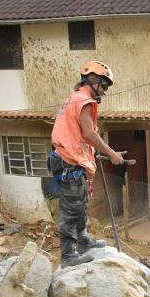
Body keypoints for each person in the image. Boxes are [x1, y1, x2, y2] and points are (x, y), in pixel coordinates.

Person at [50, 60, 129, 267]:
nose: (104, 92)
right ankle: (68, 255)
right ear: (94, 81)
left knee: (81, 204)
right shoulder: (83, 101)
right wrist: (111, 153)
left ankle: (83, 241)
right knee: (71, 210)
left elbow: (80, 137)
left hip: (73, 162)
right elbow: (89, 133)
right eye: (104, 86)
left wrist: (106, 154)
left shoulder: (76, 99)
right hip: (70, 163)